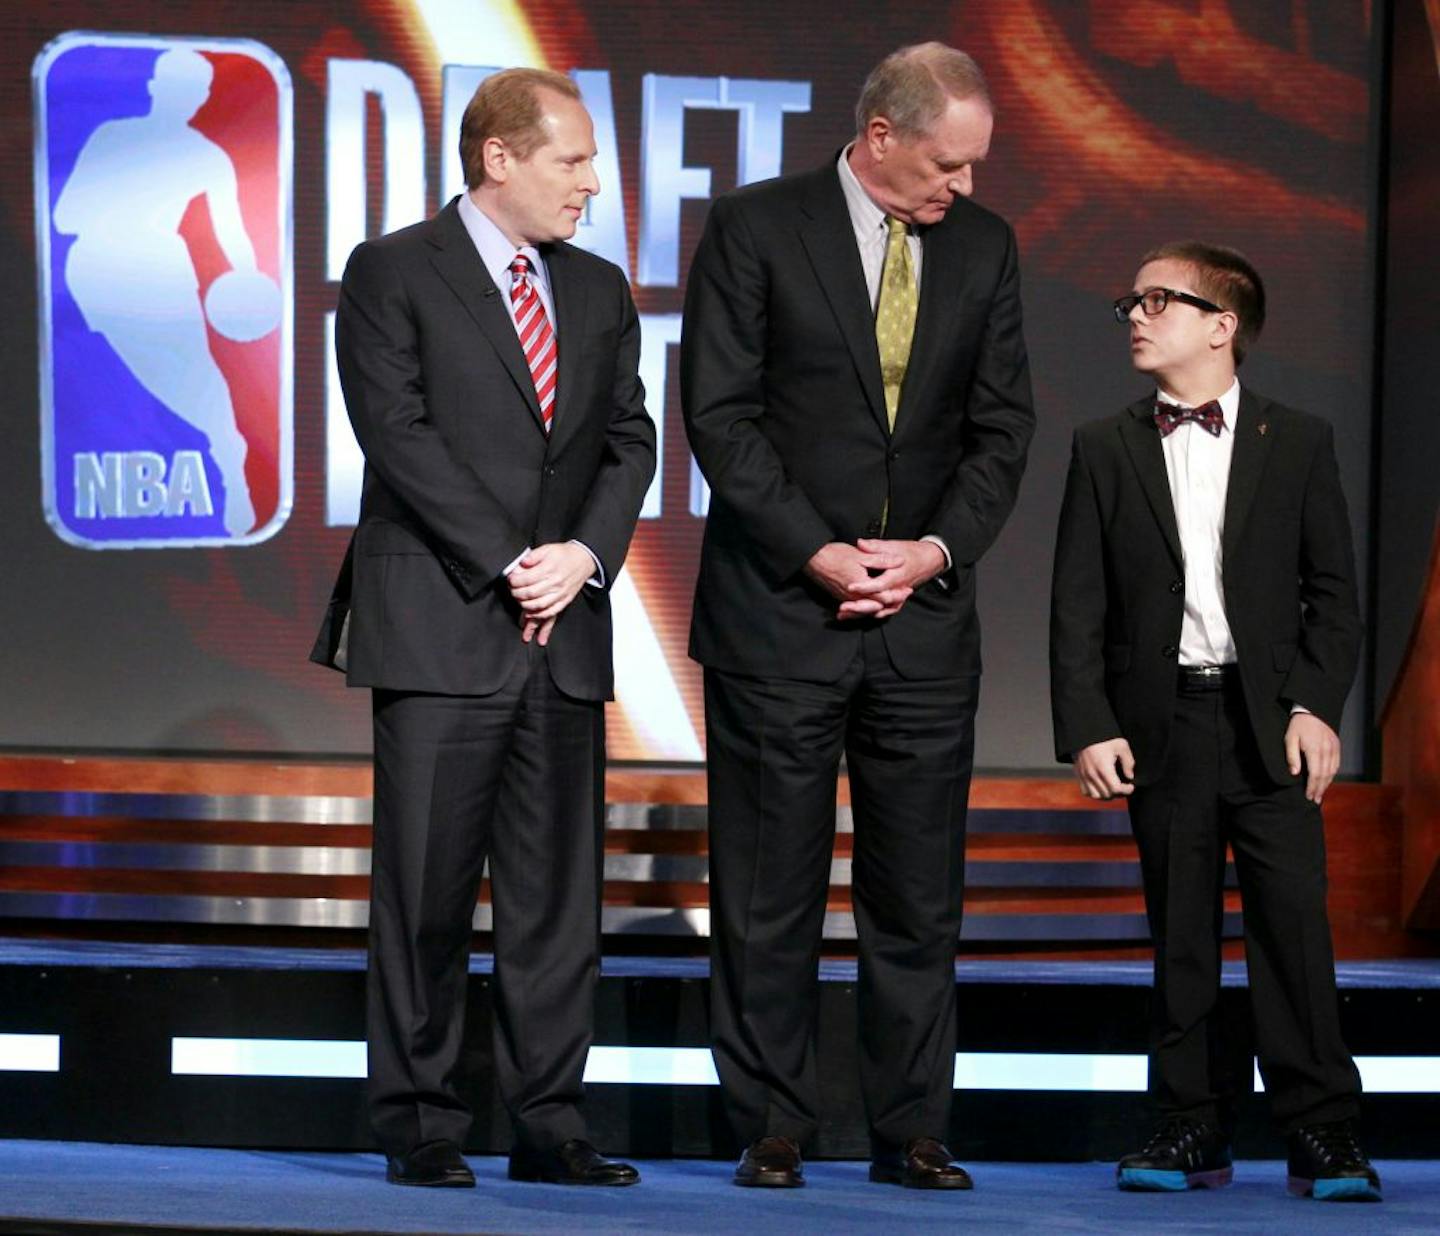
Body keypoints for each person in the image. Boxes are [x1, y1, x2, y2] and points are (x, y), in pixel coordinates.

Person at [681, 43, 1034, 1190]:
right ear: (881, 136)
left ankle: (911, 1127)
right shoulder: (755, 226)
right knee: (768, 885)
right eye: (948, 162)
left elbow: (1001, 430)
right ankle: (770, 1122)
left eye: (977, 167)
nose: (964, 188)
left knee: (918, 892)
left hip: (924, 626)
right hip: (779, 615)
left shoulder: (984, 248)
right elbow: (721, 417)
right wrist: (820, 552)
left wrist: (931, 552)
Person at [311, 68, 654, 1188]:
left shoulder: (599, 291)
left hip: (565, 631)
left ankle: (550, 1123)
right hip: (445, 619)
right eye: (574, 161)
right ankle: (419, 1119)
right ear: (499, 158)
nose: (594, 186)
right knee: (424, 887)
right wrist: (511, 559)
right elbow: (395, 433)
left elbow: (627, 442)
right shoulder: (394, 271)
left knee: (558, 901)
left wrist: (584, 556)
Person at [1049, 242, 1381, 1202]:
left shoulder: (1300, 438)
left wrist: (1318, 705)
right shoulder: (1104, 445)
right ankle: (1189, 1126)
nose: (1137, 315)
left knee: (1293, 930)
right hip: (1164, 722)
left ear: (1221, 325)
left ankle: (1323, 1132)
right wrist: (1088, 723)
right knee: (1180, 931)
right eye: (1134, 298)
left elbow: (1336, 596)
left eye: (1160, 299)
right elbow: (1079, 603)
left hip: (1269, 722)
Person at [54, 47, 271, 537]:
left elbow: (232, 234)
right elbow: (65, 216)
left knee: (204, 388)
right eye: (179, 88)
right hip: (96, 274)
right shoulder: (113, 137)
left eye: (195, 92)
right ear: (155, 88)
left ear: (202, 99)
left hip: (163, 281)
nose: (187, 100)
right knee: (115, 382)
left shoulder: (207, 157)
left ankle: (231, 476)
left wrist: (249, 283)